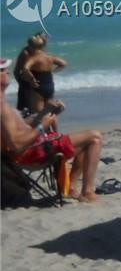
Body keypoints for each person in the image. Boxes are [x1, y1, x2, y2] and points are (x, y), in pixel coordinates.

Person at [1, 59, 104, 201]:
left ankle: (70, 188)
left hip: (34, 146)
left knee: (85, 140)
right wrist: (42, 125)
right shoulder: (2, 108)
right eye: (2, 70)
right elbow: (17, 145)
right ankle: (87, 192)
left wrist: (45, 112)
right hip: (31, 152)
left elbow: (22, 127)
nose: (7, 72)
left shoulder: (3, 103)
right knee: (95, 137)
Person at [12, 32, 67, 119]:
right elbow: (17, 70)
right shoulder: (27, 53)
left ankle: (45, 127)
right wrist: (23, 83)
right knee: (42, 112)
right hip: (36, 84)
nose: (46, 40)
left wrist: (33, 79)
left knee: (39, 114)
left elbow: (25, 68)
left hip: (37, 85)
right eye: (44, 38)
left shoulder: (38, 55)